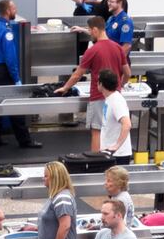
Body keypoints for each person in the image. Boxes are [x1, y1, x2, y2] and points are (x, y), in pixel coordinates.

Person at [53, 18, 126, 153]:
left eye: (90, 31)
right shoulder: (118, 48)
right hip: (116, 96)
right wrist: (120, 86)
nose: (90, 34)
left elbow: (77, 74)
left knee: (97, 131)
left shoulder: (93, 50)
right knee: (112, 129)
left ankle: (96, 162)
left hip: (99, 97)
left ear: (95, 30)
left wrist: (65, 88)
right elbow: (127, 72)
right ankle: (110, 160)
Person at [0, 0, 39, 148]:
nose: (16, 10)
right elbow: (10, 58)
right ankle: (24, 140)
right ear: (8, 11)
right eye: (14, 8)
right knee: (15, 104)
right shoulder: (7, 31)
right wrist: (16, 78)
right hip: (4, 71)